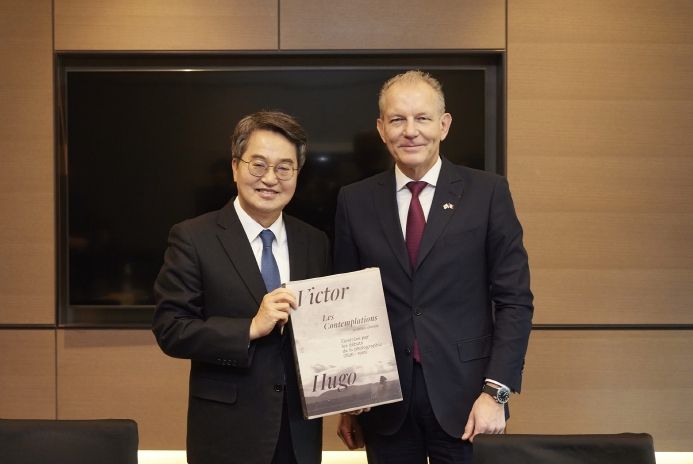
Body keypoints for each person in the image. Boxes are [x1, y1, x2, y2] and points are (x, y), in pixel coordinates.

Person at [334, 71, 533, 463]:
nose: (410, 131)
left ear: (444, 125)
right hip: (384, 405)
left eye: (422, 118)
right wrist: (349, 398)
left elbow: (514, 301)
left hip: (470, 402)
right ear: (381, 129)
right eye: (397, 119)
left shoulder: (487, 192)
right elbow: (346, 305)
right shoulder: (354, 201)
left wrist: (496, 394)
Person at [153, 111, 331, 464]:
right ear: (235, 166)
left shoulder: (314, 241)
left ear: (297, 173)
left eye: (284, 168)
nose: (271, 178)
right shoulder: (193, 237)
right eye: (258, 164)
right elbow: (171, 329)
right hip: (227, 434)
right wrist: (250, 327)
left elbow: (326, 328)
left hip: (299, 434)